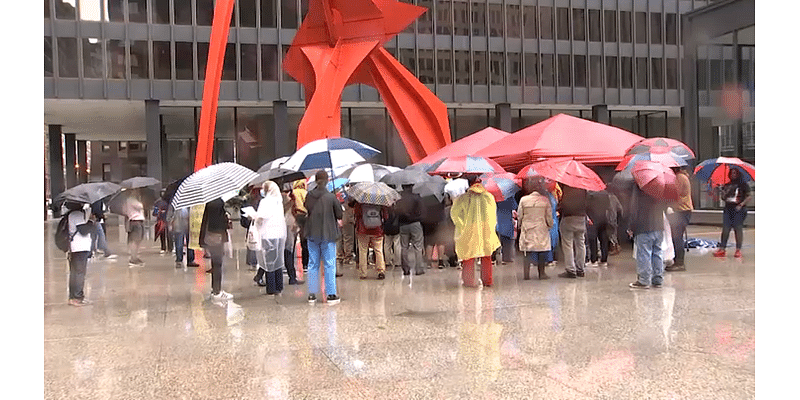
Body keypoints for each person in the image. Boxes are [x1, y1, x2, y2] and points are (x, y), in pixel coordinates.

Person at [450, 176, 501, 288]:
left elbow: (455, 214)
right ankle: (488, 280)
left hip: (468, 229)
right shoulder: (488, 196)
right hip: (485, 229)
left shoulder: (463, 198)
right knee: (486, 255)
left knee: (468, 255)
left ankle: (469, 281)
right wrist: (491, 227)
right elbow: (493, 215)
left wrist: (461, 225)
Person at [304, 170, 343, 304]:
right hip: (328, 234)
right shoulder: (331, 197)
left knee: (313, 264)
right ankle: (331, 294)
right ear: (327, 181)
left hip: (312, 233)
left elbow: (307, 209)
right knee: (329, 264)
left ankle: (312, 294)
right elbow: (339, 215)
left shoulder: (309, 196)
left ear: (315, 180)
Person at [627, 184, 668, 289]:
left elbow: (634, 208)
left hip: (643, 226)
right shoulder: (660, 186)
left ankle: (644, 280)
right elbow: (665, 206)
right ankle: (658, 279)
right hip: (658, 225)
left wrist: (631, 226)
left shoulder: (639, 187)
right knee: (657, 252)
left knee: (644, 253)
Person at [253, 181, 288, 296]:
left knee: (269, 262)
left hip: (268, 235)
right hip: (279, 234)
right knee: (278, 260)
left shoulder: (265, 201)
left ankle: (271, 287)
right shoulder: (279, 201)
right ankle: (279, 286)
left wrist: (253, 216)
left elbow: (261, 217)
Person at [517, 179, 554, 280]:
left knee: (527, 251)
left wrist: (519, 226)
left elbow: (520, 215)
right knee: (541, 250)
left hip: (527, 228)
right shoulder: (545, 200)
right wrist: (549, 225)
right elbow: (549, 217)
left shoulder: (523, 200)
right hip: (541, 228)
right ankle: (541, 274)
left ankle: (526, 274)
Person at [712, 168, 752, 258]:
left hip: (739, 208)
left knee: (738, 229)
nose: (733, 175)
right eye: (732, 173)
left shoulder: (743, 185)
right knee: (726, 228)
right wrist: (721, 191)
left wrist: (741, 204)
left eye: (735, 173)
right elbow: (723, 198)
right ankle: (722, 249)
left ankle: (738, 249)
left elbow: (749, 196)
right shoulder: (727, 185)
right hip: (728, 208)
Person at [199, 198, 234, 301]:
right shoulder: (217, 203)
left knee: (215, 263)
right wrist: (225, 217)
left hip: (209, 235)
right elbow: (220, 222)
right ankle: (217, 292)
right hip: (217, 235)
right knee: (218, 263)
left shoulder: (209, 202)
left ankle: (214, 289)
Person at [66, 201, 95, 306]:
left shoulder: (72, 214)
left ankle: (73, 297)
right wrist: (91, 221)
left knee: (74, 273)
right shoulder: (77, 215)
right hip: (80, 247)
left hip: (76, 247)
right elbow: (83, 230)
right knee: (79, 273)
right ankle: (77, 297)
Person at [666, 166, 693, 271]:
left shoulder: (679, 178)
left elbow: (675, 194)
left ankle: (680, 263)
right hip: (681, 210)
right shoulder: (681, 177)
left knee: (677, 237)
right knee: (676, 236)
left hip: (681, 210)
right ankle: (678, 260)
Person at [557, 184, 588, 279]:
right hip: (581, 218)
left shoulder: (567, 189)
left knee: (568, 244)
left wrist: (559, 205)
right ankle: (580, 269)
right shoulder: (583, 189)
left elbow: (564, 205)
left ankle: (570, 269)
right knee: (581, 244)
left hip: (569, 218)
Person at [354, 200, 389, 279]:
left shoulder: (360, 202)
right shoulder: (380, 201)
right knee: (378, 250)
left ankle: (363, 273)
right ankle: (381, 271)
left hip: (363, 230)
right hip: (377, 230)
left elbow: (357, 214)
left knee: (363, 251)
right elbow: (386, 216)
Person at [395, 184, 425, 276]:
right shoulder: (417, 197)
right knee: (418, 247)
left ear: (403, 187)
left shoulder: (399, 198)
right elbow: (422, 211)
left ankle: (406, 269)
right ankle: (419, 269)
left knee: (404, 247)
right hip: (415, 223)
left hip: (403, 225)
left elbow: (396, 212)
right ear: (411, 187)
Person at [586, 190, 614, 267]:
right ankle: (604, 260)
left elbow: (586, 206)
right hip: (604, 218)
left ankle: (593, 260)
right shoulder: (605, 193)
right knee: (604, 239)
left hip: (593, 219)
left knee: (592, 239)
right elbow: (608, 205)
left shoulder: (589, 194)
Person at [282, 186, 304, 285]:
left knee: (288, 251)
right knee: (289, 250)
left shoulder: (289, 197)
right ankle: (292, 277)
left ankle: (292, 276)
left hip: (289, 225)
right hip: (288, 225)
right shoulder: (285, 198)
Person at [290, 179, 310, 271]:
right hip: (305, 217)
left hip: (294, 217)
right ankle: (305, 264)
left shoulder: (292, 193)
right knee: (304, 241)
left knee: (292, 241)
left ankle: (290, 263)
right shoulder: (305, 193)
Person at [124, 191, 146, 267]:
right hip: (135, 221)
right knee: (135, 240)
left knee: (137, 240)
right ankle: (133, 258)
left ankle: (135, 257)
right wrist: (140, 201)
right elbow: (141, 206)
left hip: (136, 221)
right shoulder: (132, 200)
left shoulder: (130, 200)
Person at [495, 196, 518, 264]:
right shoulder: (510, 197)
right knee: (508, 241)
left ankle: (496, 258)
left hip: (498, 220)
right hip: (507, 221)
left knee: (498, 242)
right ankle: (507, 258)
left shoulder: (495, 198)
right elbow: (514, 206)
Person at [382, 200, 402, 270]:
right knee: (397, 244)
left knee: (387, 245)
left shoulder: (385, 207)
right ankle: (397, 262)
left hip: (387, 227)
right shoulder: (398, 207)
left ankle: (387, 261)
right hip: (396, 228)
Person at [337, 197, 356, 267]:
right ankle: (348, 258)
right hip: (348, 220)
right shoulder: (350, 198)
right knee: (348, 239)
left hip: (340, 219)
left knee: (340, 239)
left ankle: (340, 256)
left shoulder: (341, 195)